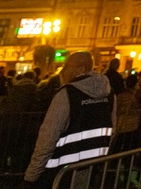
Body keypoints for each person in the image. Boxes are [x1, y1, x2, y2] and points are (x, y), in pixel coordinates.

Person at [22, 51, 116, 189]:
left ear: (81, 69)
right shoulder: (109, 94)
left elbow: (48, 137)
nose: (63, 71)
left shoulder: (67, 94)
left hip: (60, 172)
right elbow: (112, 130)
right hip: (91, 168)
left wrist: (31, 176)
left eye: (67, 66)